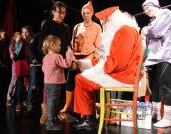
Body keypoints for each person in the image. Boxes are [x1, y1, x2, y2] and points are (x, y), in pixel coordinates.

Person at [73, 6, 143, 131]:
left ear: (111, 20)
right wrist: (89, 63)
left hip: (122, 76)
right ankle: (89, 118)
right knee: (84, 77)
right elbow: (111, 58)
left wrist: (96, 68)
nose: (103, 25)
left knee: (81, 79)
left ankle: (89, 119)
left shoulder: (124, 31)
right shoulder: (123, 29)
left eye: (104, 22)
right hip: (122, 73)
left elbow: (118, 62)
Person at [60, 1, 102, 115]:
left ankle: (87, 110)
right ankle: (67, 105)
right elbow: (72, 43)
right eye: (84, 13)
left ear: (92, 13)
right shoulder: (77, 26)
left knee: (86, 84)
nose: (86, 15)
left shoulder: (97, 27)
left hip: (88, 59)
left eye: (88, 13)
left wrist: (95, 61)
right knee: (70, 80)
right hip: (76, 58)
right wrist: (72, 57)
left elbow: (99, 46)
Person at [40, 1, 71, 124]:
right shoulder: (48, 24)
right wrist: (47, 59)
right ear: (53, 12)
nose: (62, 15)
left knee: (58, 88)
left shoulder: (66, 27)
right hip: (50, 60)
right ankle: (46, 112)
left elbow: (68, 44)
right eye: (60, 13)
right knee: (49, 88)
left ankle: (56, 112)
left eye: (64, 13)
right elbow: (43, 42)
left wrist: (69, 57)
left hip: (62, 60)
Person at [142, 0, 171, 128]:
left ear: (154, 6)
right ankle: (155, 114)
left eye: (147, 8)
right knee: (156, 85)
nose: (145, 11)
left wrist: (145, 30)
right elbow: (148, 42)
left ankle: (168, 117)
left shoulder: (165, 13)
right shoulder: (152, 20)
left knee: (166, 84)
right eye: (144, 9)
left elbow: (156, 32)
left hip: (166, 54)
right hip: (156, 57)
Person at [42, 35, 74, 130]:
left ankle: (53, 119)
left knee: (52, 101)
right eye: (59, 45)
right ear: (52, 45)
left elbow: (43, 69)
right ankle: (51, 122)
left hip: (47, 83)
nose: (60, 47)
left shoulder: (45, 57)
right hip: (55, 83)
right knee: (53, 102)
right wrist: (70, 54)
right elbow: (67, 64)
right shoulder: (57, 56)